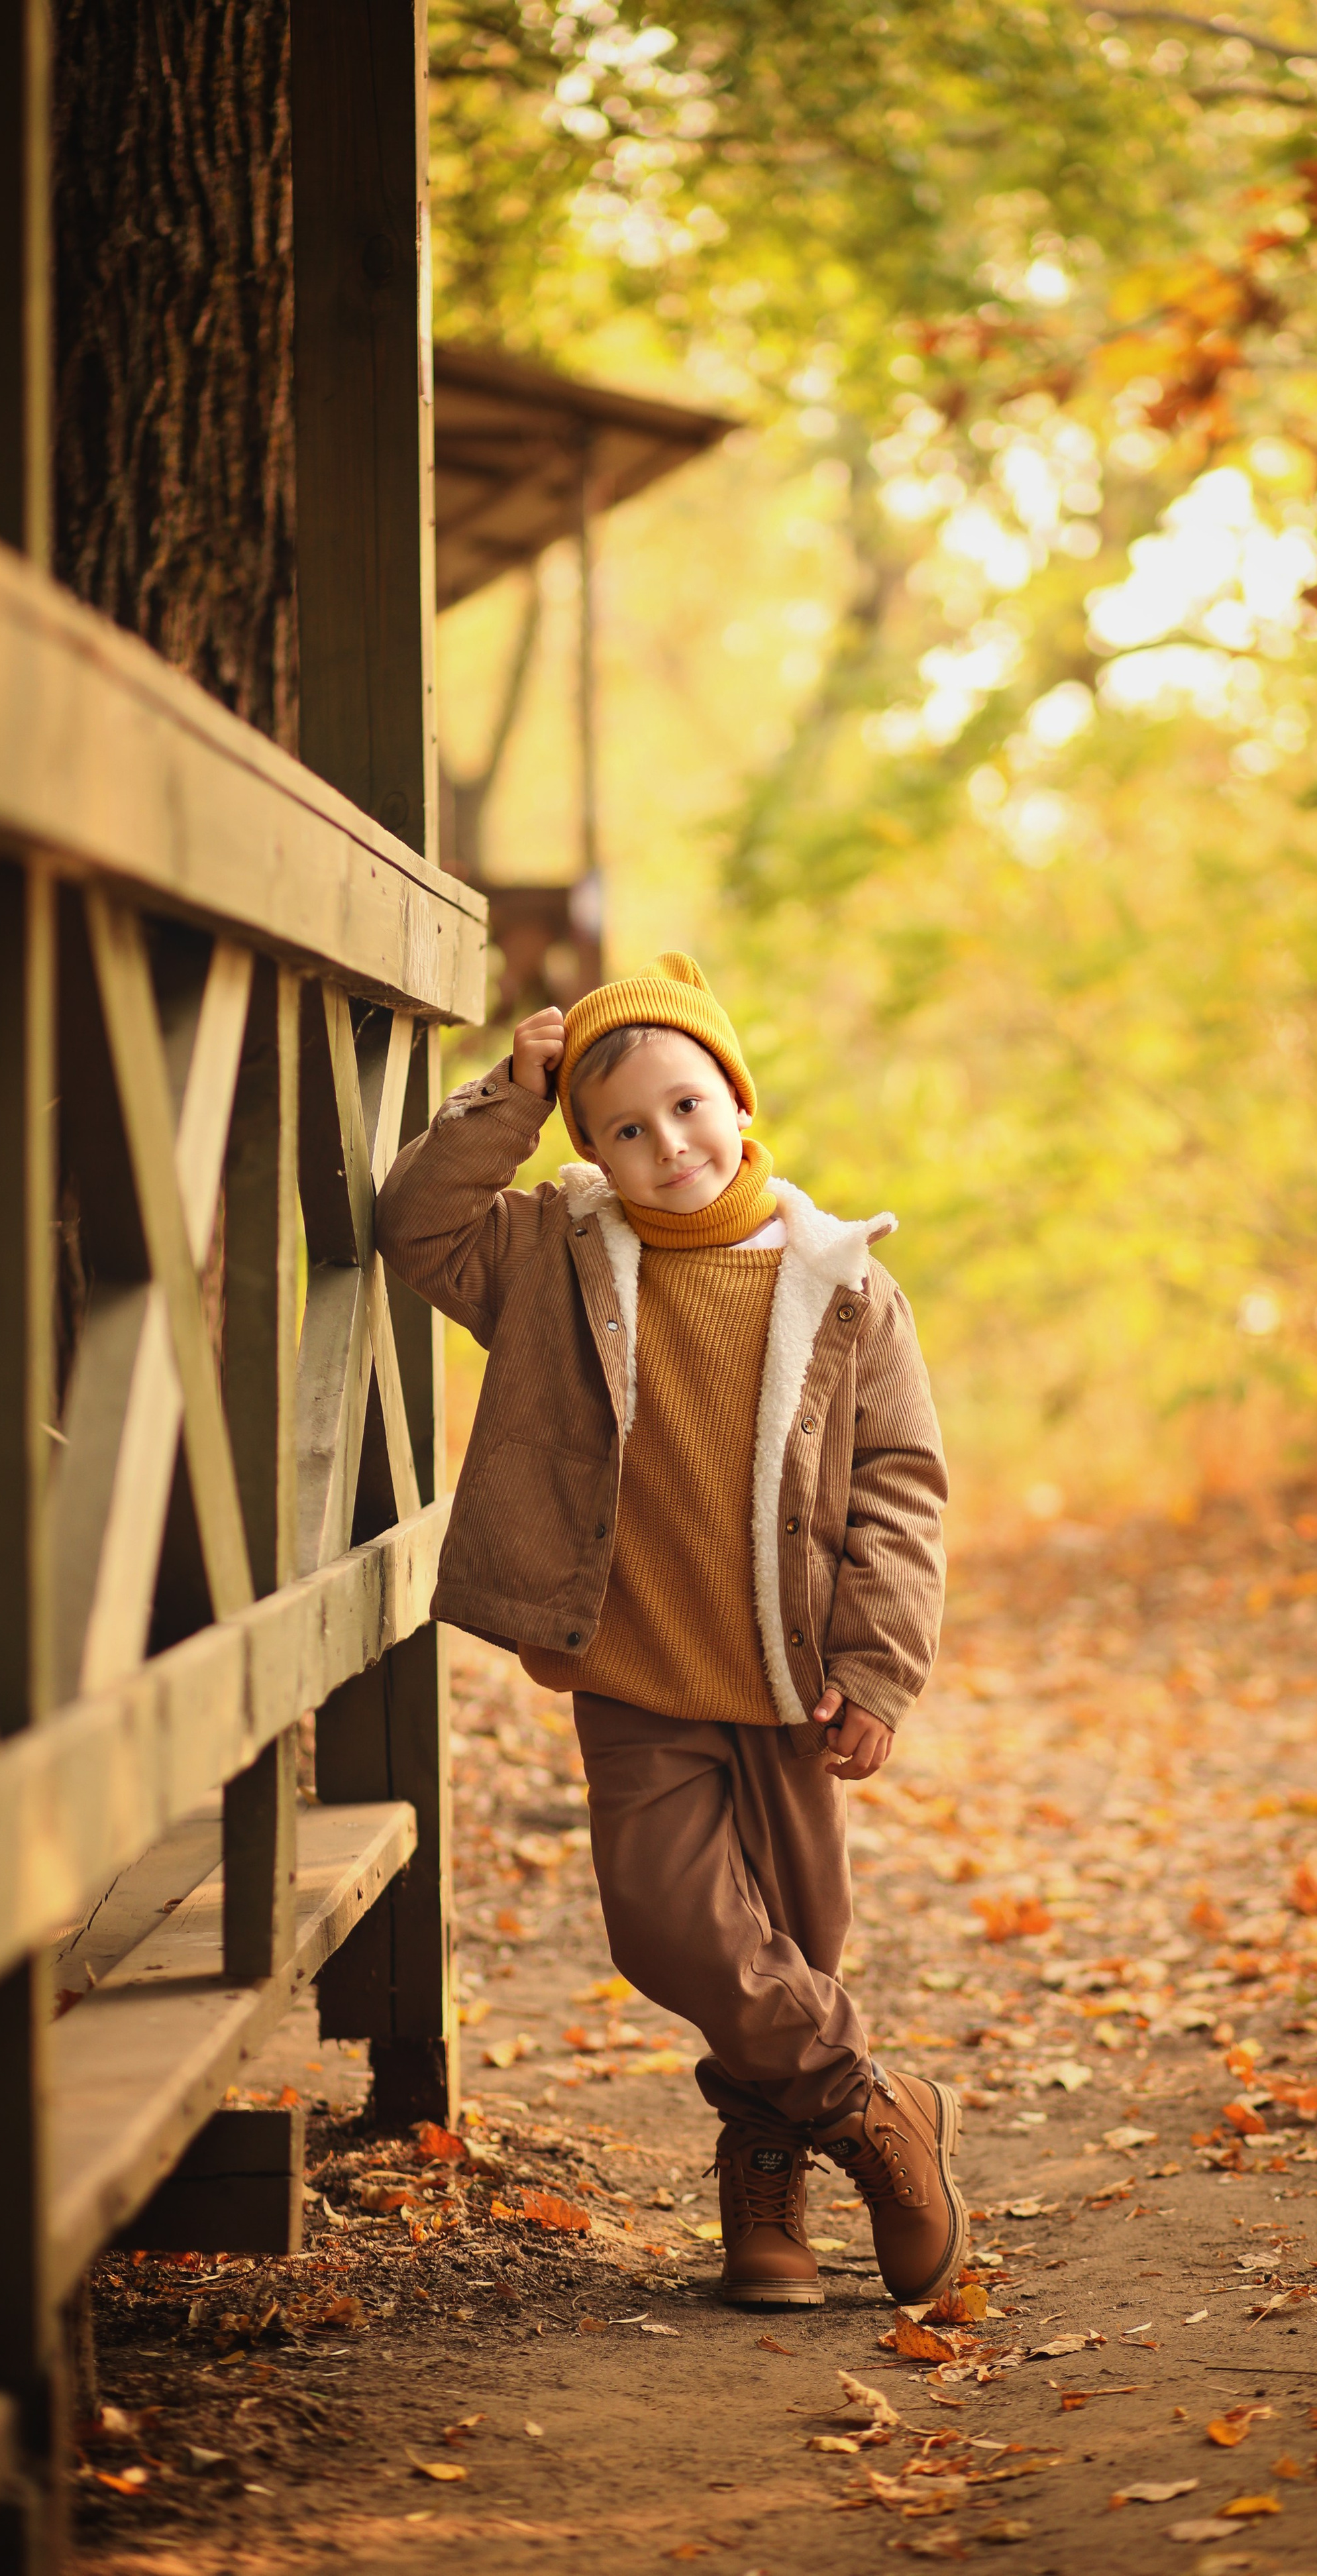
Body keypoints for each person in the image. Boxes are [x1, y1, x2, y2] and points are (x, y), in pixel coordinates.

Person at [376, 953, 959, 2309]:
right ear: (590, 1148)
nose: (667, 1146)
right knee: (667, 1928)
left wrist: (878, 1666)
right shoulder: (549, 1256)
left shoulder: (841, 1284)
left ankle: (766, 2199)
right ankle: (877, 2111)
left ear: (738, 1104)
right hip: (635, 1668)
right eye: (624, 1130)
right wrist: (507, 1101)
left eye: (687, 1107)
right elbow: (415, 1225)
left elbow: (899, 1486)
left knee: (792, 1942)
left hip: (788, 1678)